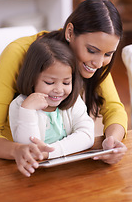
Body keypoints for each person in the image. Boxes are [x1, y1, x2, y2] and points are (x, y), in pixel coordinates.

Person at [0, 0, 127, 175]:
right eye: (92, 50)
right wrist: (17, 150)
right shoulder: (18, 52)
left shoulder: (95, 61)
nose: (98, 62)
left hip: (60, 163)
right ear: (70, 32)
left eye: (108, 54)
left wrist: (112, 143)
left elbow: (115, 109)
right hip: (12, 166)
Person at [9, 38, 94, 176]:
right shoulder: (20, 106)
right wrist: (27, 111)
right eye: (49, 82)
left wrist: (49, 152)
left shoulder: (73, 100)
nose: (59, 90)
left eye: (66, 83)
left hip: (70, 169)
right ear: (32, 79)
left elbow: (87, 135)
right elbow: (30, 151)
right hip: (34, 173)